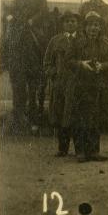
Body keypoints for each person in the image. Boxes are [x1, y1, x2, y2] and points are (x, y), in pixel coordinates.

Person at [65, 11, 108, 163]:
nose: (94, 28)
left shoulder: (106, 43)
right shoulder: (76, 42)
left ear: (100, 27)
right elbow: (68, 61)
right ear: (85, 27)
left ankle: (94, 151)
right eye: (91, 25)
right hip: (80, 86)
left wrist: (103, 66)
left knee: (96, 118)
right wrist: (81, 64)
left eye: (97, 25)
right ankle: (80, 151)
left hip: (98, 87)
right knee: (80, 119)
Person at [5, 0, 49, 133]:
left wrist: (32, 20)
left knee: (40, 40)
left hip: (34, 26)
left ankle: (44, 59)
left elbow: (43, 12)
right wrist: (13, 17)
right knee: (10, 40)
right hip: (20, 24)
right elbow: (12, 9)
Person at [44, 10, 80, 156]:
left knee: (77, 116)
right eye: (67, 21)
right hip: (60, 85)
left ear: (77, 23)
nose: (70, 24)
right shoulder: (55, 41)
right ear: (63, 24)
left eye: (73, 21)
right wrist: (54, 73)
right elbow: (47, 62)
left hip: (78, 85)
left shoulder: (83, 40)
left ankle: (79, 149)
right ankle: (62, 148)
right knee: (61, 115)